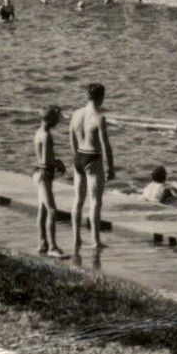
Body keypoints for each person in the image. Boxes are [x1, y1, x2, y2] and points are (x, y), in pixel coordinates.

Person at [68, 82, 114, 253]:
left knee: (77, 200)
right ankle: (95, 240)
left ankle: (76, 237)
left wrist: (75, 157)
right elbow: (105, 145)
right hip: (93, 157)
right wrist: (111, 167)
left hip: (79, 156)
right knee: (95, 201)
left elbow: (71, 137)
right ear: (101, 97)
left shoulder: (76, 114)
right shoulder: (99, 117)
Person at [31, 105, 68, 257]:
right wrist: (59, 164)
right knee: (52, 210)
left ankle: (42, 243)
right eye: (56, 119)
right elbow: (47, 160)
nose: (58, 122)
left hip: (38, 174)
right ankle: (52, 247)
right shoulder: (46, 135)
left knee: (43, 210)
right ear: (50, 119)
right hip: (44, 175)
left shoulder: (38, 132)